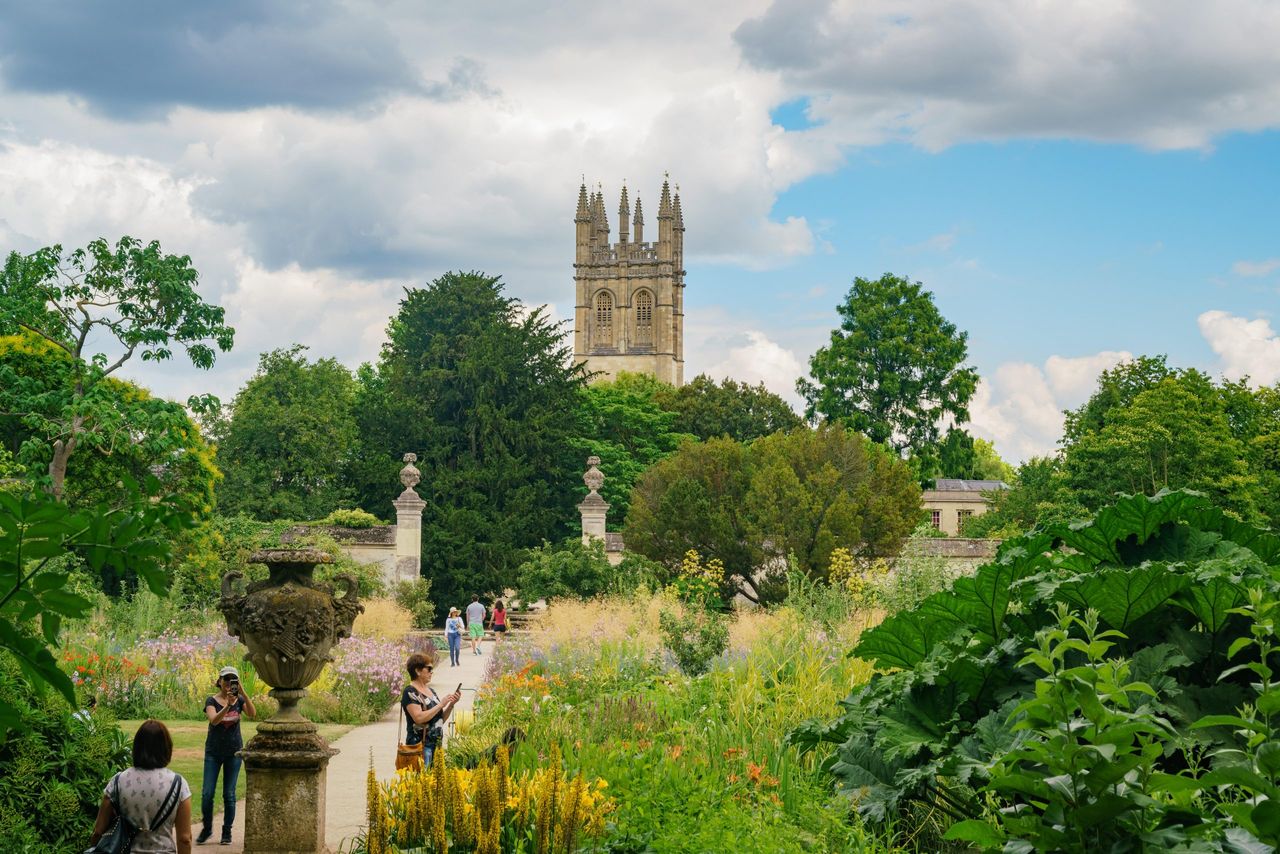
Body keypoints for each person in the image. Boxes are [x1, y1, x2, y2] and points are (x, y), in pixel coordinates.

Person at [88, 719, 192, 854]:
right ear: (167, 748)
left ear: (137, 747)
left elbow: (98, 831)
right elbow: (185, 838)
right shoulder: (179, 784)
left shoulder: (118, 781)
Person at [198, 666, 256, 845]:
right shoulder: (211, 700)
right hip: (213, 753)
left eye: (233, 680)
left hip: (233, 752)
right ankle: (207, 829)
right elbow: (214, 720)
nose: (228, 683)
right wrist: (228, 706)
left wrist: (244, 693)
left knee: (229, 794)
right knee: (207, 793)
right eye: (226, 679)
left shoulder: (239, 700)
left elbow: (253, 714)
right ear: (220, 681)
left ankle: (226, 832)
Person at [402, 653, 461, 768]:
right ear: (418, 671)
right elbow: (418, 718)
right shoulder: (410, 692)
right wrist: (440, 705)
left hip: (436, 745)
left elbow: (439, 720)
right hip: (421, 746)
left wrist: (450, 705)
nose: (431, 672)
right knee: (423, 783)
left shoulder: (431, 691)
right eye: (428, 668)